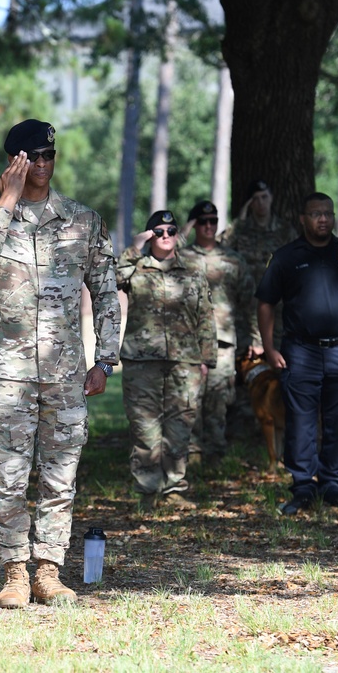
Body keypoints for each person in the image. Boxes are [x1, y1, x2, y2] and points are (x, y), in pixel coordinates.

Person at [0, 119, 121, 609]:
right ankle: (13, 572)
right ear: (15, 162)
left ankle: (49, 570)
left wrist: (106, 360)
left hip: (66, 370)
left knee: (60, 473)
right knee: (8, 473)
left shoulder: (82, 220)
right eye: (34, 158)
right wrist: (7, 201)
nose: (44, 165)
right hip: (8, 370)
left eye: (50, 156)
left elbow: (107, 291)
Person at [256, 192, 338, 516]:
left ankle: (333, 486)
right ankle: (302, 487)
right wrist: (270, 348)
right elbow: (265, 303)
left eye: (327, 213)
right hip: (300, 352)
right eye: (315, 213)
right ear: (303, 218)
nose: (323, 219)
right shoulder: (286, 257)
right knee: (300, 421)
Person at [116, 210, 216, 507]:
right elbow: (113, 276)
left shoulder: (193, 271)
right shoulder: (136, 268)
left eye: (171, 230)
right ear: (149, 236)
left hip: (185, 362)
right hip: (141, 361)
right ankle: (147, 492)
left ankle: (174, 490)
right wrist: (135, 247)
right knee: (144, 428)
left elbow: (206, 319)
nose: (166, 236)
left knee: (179, 427)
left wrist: (206, 360)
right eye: (158, 232)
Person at [218, 179, 297, 442]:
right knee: (244, 369)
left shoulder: (285, 231)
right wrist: (239, 220)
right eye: (256, 199)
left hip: (279, 315)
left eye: (265, 197)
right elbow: (221, 247)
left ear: (272, 199)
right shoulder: (240, 231)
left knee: (281, 367)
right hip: (243, 314)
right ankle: (244, 429)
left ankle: (282, 428)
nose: (261, 203)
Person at [182, 200, 262, 461]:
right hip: (187, 341)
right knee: (188, 399)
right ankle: (191, 454)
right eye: (202, 222)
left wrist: (255, 337)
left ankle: (215, 452)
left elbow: (250, 301)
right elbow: (156, 255)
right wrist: (184, 230)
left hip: (222, 341)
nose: (208, 226)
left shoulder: (232, 259)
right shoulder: (181, 257)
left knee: (218, 399)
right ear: (194, 224)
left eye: (213, 221)